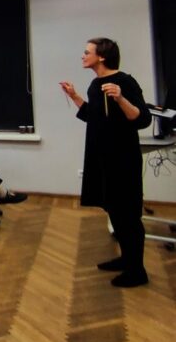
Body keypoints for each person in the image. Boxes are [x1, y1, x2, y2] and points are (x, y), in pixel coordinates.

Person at [60, 37, 152, 288]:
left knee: (129, 216)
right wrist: (75, 95)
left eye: (86, 52)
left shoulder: (125, 82)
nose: (82, 55)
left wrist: (121, 98)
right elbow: (93, 116)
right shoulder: (95, 84)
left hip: (122, 159)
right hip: (101, 157)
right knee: (114, 210)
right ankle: (127, 260)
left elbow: (143, 119)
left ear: (101, 56)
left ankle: (137, 271)